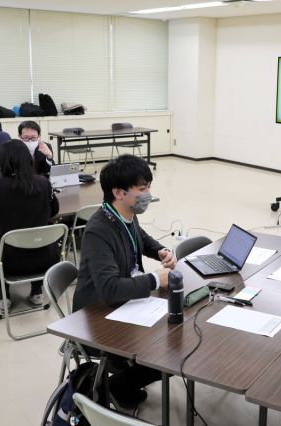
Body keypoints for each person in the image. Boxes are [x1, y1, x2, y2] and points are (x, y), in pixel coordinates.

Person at [72, 154, 176, 409]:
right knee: (168, 355)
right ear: (118, 193)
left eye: (148, 187)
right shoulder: (98, 230)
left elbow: (140, 236)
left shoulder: (126, 214)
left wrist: (160, 251)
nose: (148, 194)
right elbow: (109, 288)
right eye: (142, 189)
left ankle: (124, 380)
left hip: (124, 303)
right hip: (98, 314)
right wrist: (154, 279)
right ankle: (117, 386)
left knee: (174, 339)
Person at [0, 140, 60, 313]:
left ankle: (5, 297)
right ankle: (37, 292)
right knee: (36, 243)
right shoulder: (44, 183)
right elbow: (54, 210)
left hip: (10, 262)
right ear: (28, 159)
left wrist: (1, 219)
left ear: (4, 162)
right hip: (47, 260)